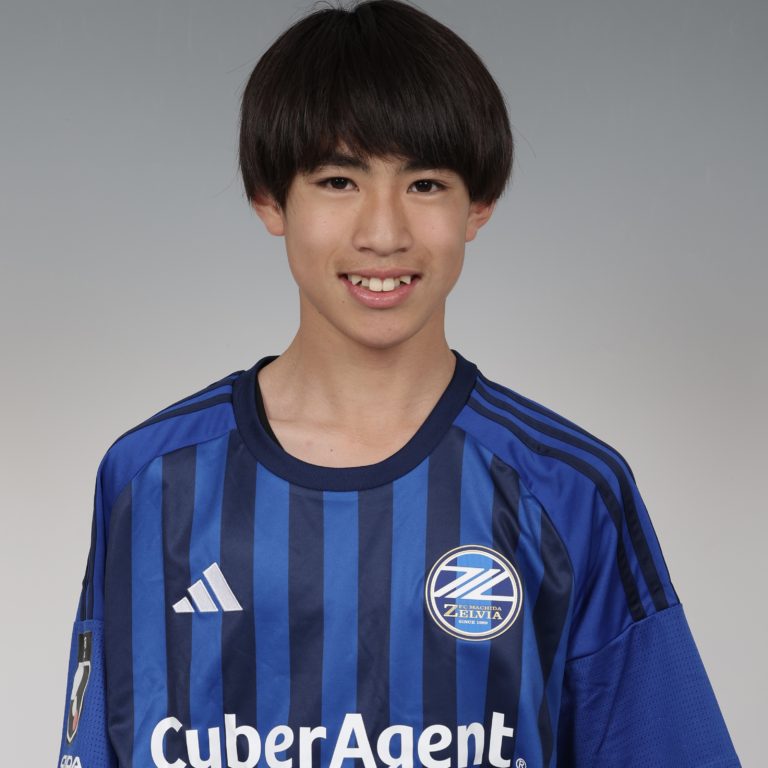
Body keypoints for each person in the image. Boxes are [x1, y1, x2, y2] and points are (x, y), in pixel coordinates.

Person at [57, 1, 741, 766]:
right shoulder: (151, 482)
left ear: (479, 205)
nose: (383, 233)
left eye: (425, 184)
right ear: (270, 200)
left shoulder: (568, 490)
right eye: (338, 180)